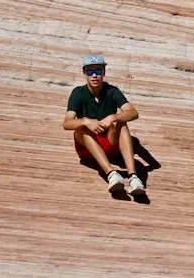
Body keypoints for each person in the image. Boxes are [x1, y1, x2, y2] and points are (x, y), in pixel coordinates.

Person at [63, 55, 146, 197]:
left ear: (104, 72)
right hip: (87, 148)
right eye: (90, 71)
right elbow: (67, 123)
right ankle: (111, 174)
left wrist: (113, 117)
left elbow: (133, 113)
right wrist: (86, 121)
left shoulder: (112, 91)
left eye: (98, 71)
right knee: (81, 129)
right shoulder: (78, 93)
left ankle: (133, 177)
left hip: (109, 143)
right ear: (84, 73)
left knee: (121, 123)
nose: (94, 75)